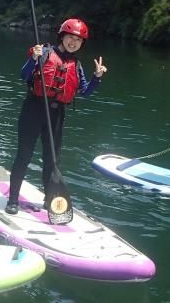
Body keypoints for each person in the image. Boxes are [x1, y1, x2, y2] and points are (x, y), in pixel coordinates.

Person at [6, 18, 107, 214]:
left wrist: (97, 78)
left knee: (52, 160)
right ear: (62, 36)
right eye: (70, 38)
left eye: (78, 40)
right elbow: (24, 76)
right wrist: (33, 60)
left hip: (57, 114)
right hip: (34, 110)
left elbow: (84, 92)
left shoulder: (76, 65)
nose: (73, 42)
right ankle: (12, 200)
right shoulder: (44, 53)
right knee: (24, 156)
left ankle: (49, 200)